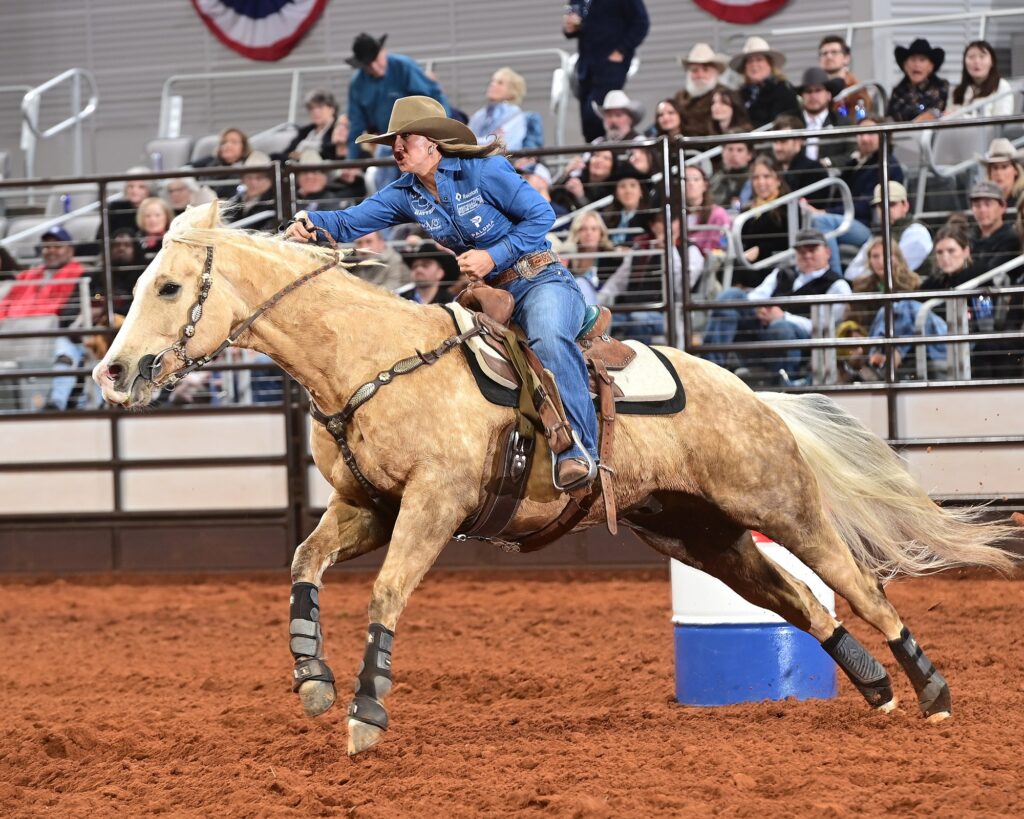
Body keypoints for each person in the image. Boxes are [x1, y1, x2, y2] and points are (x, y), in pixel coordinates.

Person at [285, 95, 600, 490]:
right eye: (393, 142)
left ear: (433, 143)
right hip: (488, 296)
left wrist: (493, 255)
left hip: (540, 278)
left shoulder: (482, 170)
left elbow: (542, 214)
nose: (397, 148)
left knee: (549, 337)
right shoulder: (406, 193)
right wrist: (310, 222)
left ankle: (580, 453)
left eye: (406, 139)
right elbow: (349, 221)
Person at [702, 228, 851, 383]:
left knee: (781, 326)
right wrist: (760, 309)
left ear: (827, 252)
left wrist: (783, 317)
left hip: (804, 343)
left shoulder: (837, 285)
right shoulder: (781, 273)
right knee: (731, 295)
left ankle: (785, 382)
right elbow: (755, 297)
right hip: (763, 334)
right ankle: (711, 369)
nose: (807, 255)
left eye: (813, 249)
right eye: (801, 251)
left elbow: (828, 327)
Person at [345, 33, 452, 189]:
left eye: (375, 60)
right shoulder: (357, 84)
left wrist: (444, 132)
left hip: (420, 137)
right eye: (368, 65)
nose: (374, 67)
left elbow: (433, 97)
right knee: (388, 184)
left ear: (383, 51)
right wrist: (351, 162)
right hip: (387, 142)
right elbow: (356, 123)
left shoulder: (403, 67)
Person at [804, 116, 904, 273]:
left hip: (868, 225)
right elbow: (837, 197)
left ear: (883, 136)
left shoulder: (888, 165)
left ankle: (833, 278)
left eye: (870, 133)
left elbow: (867, 205)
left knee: (822, 221)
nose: (864, 138)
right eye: (860, 133)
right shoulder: (855, 163)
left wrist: (826, 213)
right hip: (847, 219)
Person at [562, 0, 650, 143]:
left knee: (599, 113)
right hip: (586, 66)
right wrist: (570, 28)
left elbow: (641, 23)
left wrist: (621, 50)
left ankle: (608, 155)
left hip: (610, 66)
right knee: (587, 119)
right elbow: (576, 25)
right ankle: (594, 153)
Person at [843, 182, 934, 280]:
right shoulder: (879, 234)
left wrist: (869, 271)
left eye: (891, 204)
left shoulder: (916, 232)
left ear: (905, 205)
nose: (886, 210)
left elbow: (895, 270)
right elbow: (850, 273)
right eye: (880, 206)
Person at [736, 154, 791, 286]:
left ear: (778, 180)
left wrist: (760, 249)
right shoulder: (747, 210)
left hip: (773, 265)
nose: (761, 182)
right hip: (747, 262)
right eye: (756, 178)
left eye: (766, 176)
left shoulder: (788, 206)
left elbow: (788, 239)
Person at [731, 36, 800, 128]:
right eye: (750, 61)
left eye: (759, 60)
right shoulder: (739, 95)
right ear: (744, 67)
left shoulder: (784, 90)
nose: (754, 65)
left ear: (770, 64)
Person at [795, 67, 852, 167]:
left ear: (829, 95)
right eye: (808, 91)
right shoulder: (792, 121)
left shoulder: (842, 123)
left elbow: (852, 153)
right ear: (802, 96)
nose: (813, 96)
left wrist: (827, 162)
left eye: (818, 90)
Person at [771, 114, 830, 207]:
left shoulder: (813, 170)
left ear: (798, 141)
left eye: (783, 141)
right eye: (775, 141)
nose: (777, 148)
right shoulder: (772, 168)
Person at [672, 43, 729, 137]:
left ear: (715, 72)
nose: (700, 75)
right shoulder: (679, 96)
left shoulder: (725, 95)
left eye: (705, 70)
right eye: (694, 70)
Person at [564, 210, 620, 304]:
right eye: (583, 229)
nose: (589, 233)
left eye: (594, 229)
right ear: (577, 233)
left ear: (601, 233)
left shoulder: (611, 258)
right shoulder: (570, 259)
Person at [887, 39, 949, 123]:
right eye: (913, 59)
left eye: (922, 60)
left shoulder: (941, 88)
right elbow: (889, 119)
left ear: (931, 66)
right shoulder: (897, 91)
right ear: (905, 65)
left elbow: (936, 113)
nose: (916, 64)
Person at [947, 40, 1013, 118]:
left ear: (992, 62)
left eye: (982, 56)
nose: (976, 61)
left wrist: (962, 117)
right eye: (971, 57)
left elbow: (1002, 122)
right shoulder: (956, 91)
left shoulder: (1001, 86)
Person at [468, 68, 530, 151]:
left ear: (512, 91)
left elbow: (501, 145)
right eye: (493, 81)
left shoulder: (514, 114)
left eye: (500, 83)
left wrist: (473, 143)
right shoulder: (479, 115)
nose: (493, 84)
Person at [277, 89, 343, 161]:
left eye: (320, 107)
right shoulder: (304, 131)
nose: (315, 112)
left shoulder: (339, 129)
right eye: (311, 108)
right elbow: (288, 153)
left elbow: (332, 153)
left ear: (332, 109)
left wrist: (302, 155)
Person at [817, 35, 872, 120]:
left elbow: (860, 121)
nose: (829, 57)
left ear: (846, 58)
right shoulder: (814, 89)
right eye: (824, 53)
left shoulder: (857, 90)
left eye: (834, 52)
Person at [683, 162, 731, 257]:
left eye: (696, 179)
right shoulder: (674, 215)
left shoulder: (718, 214)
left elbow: (723, 246)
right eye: (685, 180)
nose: (691, 183)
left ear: (705, 185)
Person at [191, 127, 251, 199]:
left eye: (234, 142)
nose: (228, 145)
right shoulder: (210, 160)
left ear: (244, 147)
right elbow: (185, 169)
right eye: (224, 142)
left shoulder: (248, 166)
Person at [395, 241, 460, 305]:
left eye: (425, 265)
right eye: (414, 266)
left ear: (440, 273)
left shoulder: (451, 303)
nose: (419, 269)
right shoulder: (399, 299)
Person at [229, 151, 277, 231]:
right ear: (243, 179)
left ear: (270, 180)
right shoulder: (237, 199)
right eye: (249, 177)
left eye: (259, 178)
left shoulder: (275, 204)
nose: (253, 182)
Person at [709, 129, 754, 211]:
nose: (734, 154)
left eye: (739, 150)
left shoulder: (754, 179)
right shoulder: (714, 176)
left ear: (749, 155)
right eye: (730, 149)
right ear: (722, 152)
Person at [602, 171, 650, 247]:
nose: (628, 191)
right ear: (616, 194)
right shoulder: (607, 218)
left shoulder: (649, 218)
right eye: (622, 186)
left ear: (641, 192)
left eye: (633, 185)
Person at [977, 138, 1024, 208]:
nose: (998, 173)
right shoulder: (983, 200)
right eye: (995, 168)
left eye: (1004, 167)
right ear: (989, 172)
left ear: (1016, 170)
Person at [134, 196, 174, 263]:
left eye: (157, 215)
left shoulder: (175, 239)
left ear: (167, 216)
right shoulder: (135, 240)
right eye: (147, 216)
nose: (152, 220)